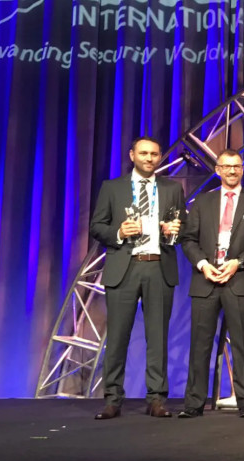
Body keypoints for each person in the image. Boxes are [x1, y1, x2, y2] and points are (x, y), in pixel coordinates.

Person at [88, 136, 185, 419]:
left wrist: (175, 231)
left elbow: (184, 228)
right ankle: (112, 399)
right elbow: (97, 226)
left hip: (158, 266)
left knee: (158, 338)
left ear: (160, 157)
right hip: (125, 268)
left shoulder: (171, 188)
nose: (149, 158)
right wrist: (119, 232)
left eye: (154, 154)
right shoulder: (113, 188)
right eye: (143, 153)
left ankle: (156, 399)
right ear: (132, 155)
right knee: (118, 337)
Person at [178, 149, 244, 418]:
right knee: (200, 344)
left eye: (236, 166)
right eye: (226, 166)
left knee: (243, 344)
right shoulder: (202, 202)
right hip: (206, 280)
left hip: (239, 279)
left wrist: (238, 262)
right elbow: (188, 239)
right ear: (217, 170)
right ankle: (194, 404)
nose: (232, 171)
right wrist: (203, 265)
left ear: (242, 169)